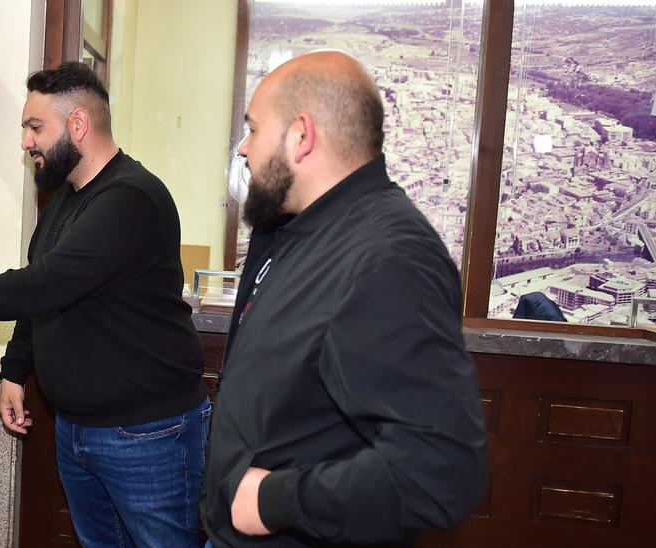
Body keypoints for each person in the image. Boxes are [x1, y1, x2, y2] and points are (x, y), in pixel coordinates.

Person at [0, 62, 209, 546]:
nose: (25, 142)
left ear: (78, 125)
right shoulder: (65, 201)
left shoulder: (130, 198)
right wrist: (14, 370)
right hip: (76, 431)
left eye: (36, 127)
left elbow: (43, 285)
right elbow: (45, 299)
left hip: (147, 435)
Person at [199, 51, 487, 547]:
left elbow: (442, 470)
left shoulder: (386, 258)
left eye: (252, 128)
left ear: (301, 136)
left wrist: (276, 501)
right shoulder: (294, 229)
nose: (244, 148)